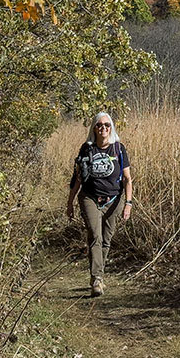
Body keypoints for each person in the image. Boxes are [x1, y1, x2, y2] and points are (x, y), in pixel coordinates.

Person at [66, 112, 133, 297]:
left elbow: (127, 179)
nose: (103, 128)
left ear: (111, 128)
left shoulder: (119, 149)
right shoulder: (86, 149)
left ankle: (98, 275)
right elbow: (76, 179)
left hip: (114, 200)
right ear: (94, 128)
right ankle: (96, 279)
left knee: (106, 238)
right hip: (90, 198)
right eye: (99, 125)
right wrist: (70, 203)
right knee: (95, 236)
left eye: (107, 125)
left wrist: (128, 203)